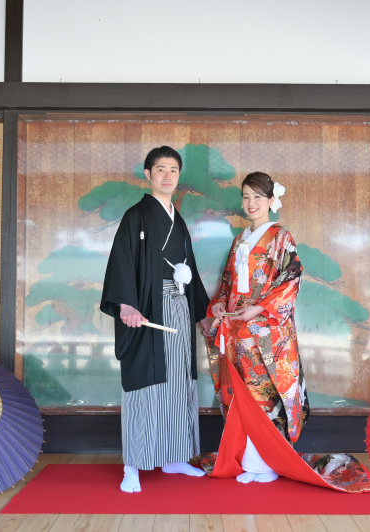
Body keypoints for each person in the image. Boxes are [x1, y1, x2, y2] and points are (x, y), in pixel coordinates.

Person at [100, 146, 211, 493]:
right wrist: (126, 306)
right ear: (147, 175)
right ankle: (133, 464)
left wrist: (202, 315)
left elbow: (188, 269)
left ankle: (176, 457)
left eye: (173, 170)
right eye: (160, 169)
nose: (167, 176)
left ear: (179, 177)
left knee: (179, 382)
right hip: (147, 311)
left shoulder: (178, 221)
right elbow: (121, 262)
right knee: (144, 386)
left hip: (177, 307)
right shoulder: (136, 216)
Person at [206, 171, 309, 484]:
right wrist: (220, 304)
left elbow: (291, 277)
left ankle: (267, 463)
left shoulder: (280, 237)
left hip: (266, 332)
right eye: (246, 196)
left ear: (270, 201)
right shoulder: (240, 240)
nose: (251, 203)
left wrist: (260, 308)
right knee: (243, 397)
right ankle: (249, 461)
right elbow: (227, 283)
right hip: (238, 329)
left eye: (258, 197)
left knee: (265, 395)